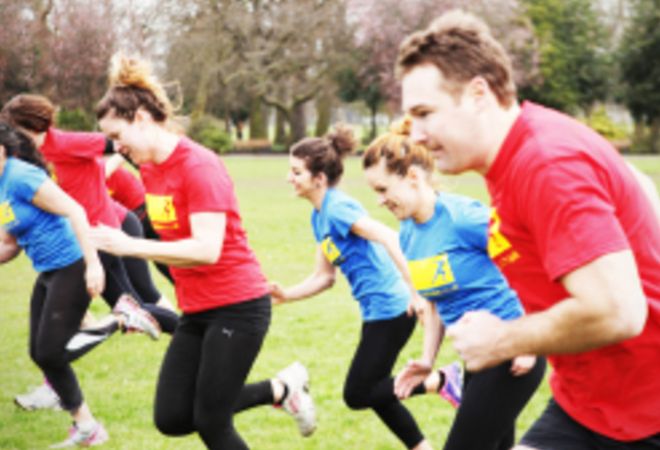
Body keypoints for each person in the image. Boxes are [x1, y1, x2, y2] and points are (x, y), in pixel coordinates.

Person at [396, 9, 660, 449]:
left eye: (425, 113)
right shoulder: (525, 152)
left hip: (644, 415)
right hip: (587, 406)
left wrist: (504, 338)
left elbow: (619, 311)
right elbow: (640, 185)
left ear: (478, 93)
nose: (415, 135)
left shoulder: (545, 164)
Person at [91, 54, 316, 449]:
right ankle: (281, 389)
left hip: (238, 305)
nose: (117, 146)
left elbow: (207, 249)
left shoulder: (198, 165)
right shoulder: (149, 167)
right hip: (197, 308)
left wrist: (129, 247)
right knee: (173, 417)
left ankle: (282, 390)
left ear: (141, 119)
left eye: (119, 135)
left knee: (212, 422)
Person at [270, 125, 463, 450]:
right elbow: (325, 277)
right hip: (376, 310)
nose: (289, 178)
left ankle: (442, 380)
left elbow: (390, 237)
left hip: (392, 307)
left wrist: (416, 292)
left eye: (296, 171)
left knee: (358, 393)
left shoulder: (338, 208)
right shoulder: (320, 217)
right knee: (378, 391)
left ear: (319, 178)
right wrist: (286, 295)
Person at [363, 120, 546, 450]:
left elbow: (531, 259)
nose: (380, 201)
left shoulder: (464, 218)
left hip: (511, 351)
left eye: (382, 189)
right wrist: (426, 359)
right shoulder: (408, 233)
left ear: (414, 178)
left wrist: (529, 340)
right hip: (478, 356)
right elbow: (435, 301)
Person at [0, 121, 158, 447]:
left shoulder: (19, 176)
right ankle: (86, 427)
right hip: (49, 268)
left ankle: (118, 319)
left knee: (50, 351)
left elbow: (75, 210)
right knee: (39, 352)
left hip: (73, 261)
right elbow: (10, 242)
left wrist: (93, 263)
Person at [0, 94, 172, 333]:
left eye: (17, 132)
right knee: (133, 307)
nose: (13, 139)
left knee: (137, 300)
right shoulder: (26, 158)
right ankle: (187, 331)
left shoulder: (66, 143)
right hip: (87, 237)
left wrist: (159, 176)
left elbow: (123, 146)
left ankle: (62, 350)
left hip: (108, 229)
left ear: (33, 126)